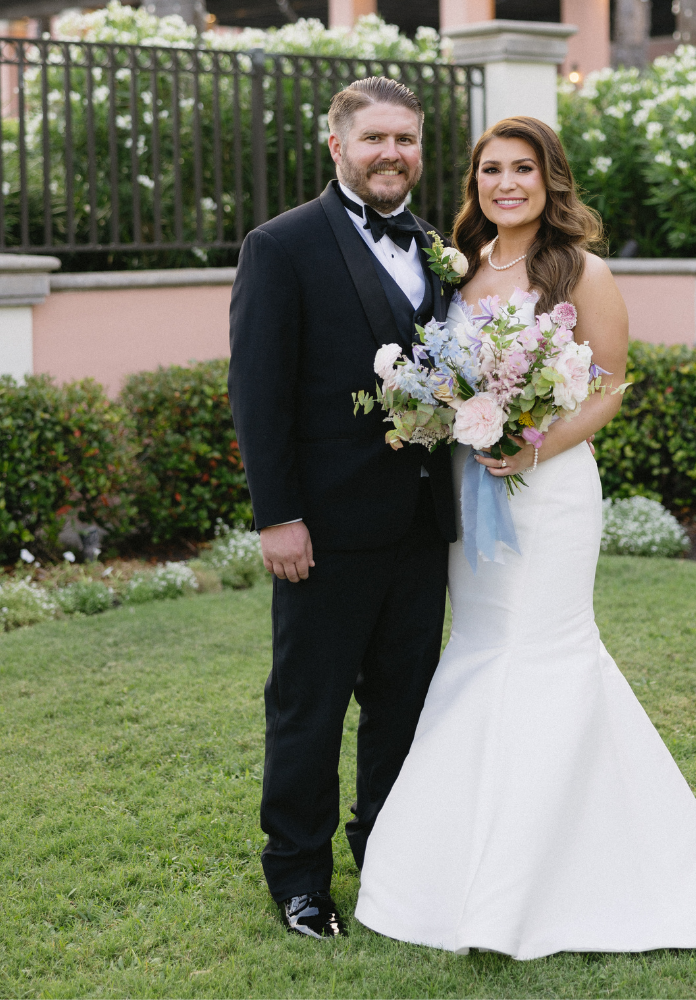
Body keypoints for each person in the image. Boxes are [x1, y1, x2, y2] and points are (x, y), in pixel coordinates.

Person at [355, 116, 696, 959]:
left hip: (550, 489)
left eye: (523, 169)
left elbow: (609, 385)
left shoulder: (582, 271)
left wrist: (533, 442)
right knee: (481, 649)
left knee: (545, 650)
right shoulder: (454, 270)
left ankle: (559, 871)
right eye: (491, 170)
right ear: (476, 185)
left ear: (549, 178)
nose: (506, 184)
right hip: (470, 486)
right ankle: (452, 863)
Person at [227, 77, 457, 938]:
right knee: (308, 707)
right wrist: (277, 515)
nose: (391, 153)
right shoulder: (280, 247)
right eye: (374, 140)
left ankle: (388, 859)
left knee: (403, 705)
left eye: (405, 139)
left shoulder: (436, 246)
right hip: (321, 531)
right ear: (337, 146)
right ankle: (298, 879)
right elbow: (258, 392)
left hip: (421, 529)